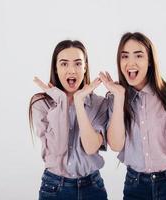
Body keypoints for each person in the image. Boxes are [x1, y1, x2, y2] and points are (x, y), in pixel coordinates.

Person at [99, 32, 166, 200]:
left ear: (149, 62)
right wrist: (119, 98)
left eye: (138, 55)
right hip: (136, 187)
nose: (130, 62)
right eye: (124, 56)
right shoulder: (116, 98)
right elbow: (116, 145)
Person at [29, 40, 108, 200]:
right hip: (54, 187)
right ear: (56, 69)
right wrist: (61, 101)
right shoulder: (40, 104)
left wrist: (79, 102)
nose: (71, 70)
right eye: (64, 64)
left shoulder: (99, 104)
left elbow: (92, 147)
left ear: (85, 67)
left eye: (78, 64)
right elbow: (58, 150)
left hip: (92, 187)